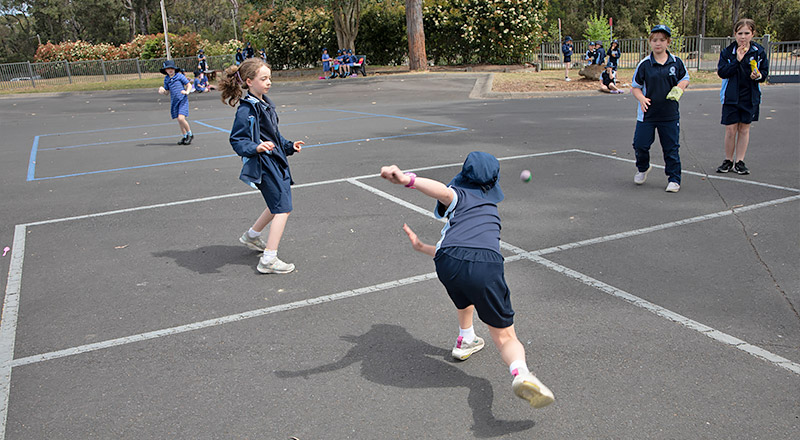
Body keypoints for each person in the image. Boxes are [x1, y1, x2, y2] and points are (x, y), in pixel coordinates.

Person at [379, 152, 555, 409]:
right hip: (484, 264)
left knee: (465, 292)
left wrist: (420, 244)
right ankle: (521, 374)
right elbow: (442, 192)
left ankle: (466, 338)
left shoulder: (458, 197)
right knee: (505, 337)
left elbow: (443, 192)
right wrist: (407, 180)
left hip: (447, 261)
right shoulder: (489, 209)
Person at [219, 58, 305, 274]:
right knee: (283, 209)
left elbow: (273, 135)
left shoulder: (264, 104)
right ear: (249, 81)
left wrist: (288, 146)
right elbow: (238, 140)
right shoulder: (246, 109)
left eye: (270, 78)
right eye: (263, 78)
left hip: (276, 160)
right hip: (264, 164)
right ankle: (269, 259)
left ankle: (251, 236)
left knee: (277, 202)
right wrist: (256, 148)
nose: (269, 82)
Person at [630, 25, 690, 193]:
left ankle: (674, 179)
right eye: (655, 40)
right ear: (650, 42)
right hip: (647, 114)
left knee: (671, 147)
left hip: (669, 113)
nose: (658, 43)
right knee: (640, 145)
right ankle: (643, 167)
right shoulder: (645, 64)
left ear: (668, 42)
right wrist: (641, 98)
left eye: (662, 40)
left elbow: (685, 78)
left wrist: (680, 87)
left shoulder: (676, 62)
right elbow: (635, 87)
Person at [716, 18, 768, 175]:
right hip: (731, 96)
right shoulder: (728, 52)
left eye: (746, 33)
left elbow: (764, 74)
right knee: (731, 129)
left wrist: (757, 75)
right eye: (740, 33)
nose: (743, 37)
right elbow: (722, 72)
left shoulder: (758, 52)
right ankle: (727, 160)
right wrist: (737, 61)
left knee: (744, 128)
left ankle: (740, 161)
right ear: (734, 34)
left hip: (750, 96)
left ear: (753, 34)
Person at [157, 60, 194, 145]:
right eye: (168, 69)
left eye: (172, 68)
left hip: (182, 100)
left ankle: (190, 134)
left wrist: (187, 92)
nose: (170, 70)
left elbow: (189, 85)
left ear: (174, 69)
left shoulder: (179, 76)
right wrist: (163, 91)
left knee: (181, 118)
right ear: (165, 70)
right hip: (174, 101)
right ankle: (184, 136)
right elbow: (167, 92)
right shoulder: (166, 79)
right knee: (179, 120)